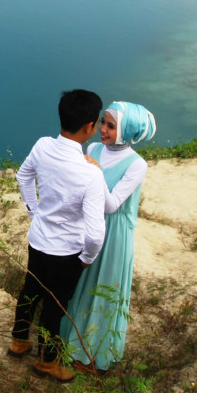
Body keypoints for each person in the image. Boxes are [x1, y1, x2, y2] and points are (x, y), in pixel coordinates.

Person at [9, 89, 107, 384]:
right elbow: (95, 232)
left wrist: (34, 212)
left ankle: (19, 341)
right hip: (66, 252)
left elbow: (23, 176)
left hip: (39, 240)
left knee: (30, 291)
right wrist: (87, 258)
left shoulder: (42, 147)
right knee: (55, 307)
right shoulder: (90, 174)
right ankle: (47, 362)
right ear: (90, 126)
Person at [61, 101, 156, 375]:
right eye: (103, 122)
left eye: (111, 126)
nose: (102, 129)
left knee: (102, 290)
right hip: (88, 226)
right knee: (79, 285)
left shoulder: (137, 165)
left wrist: (95, 171)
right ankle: (71, 340)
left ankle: (92, 353)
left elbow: (112, 204)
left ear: (127, 131)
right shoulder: (94, 149)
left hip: (114, 234)